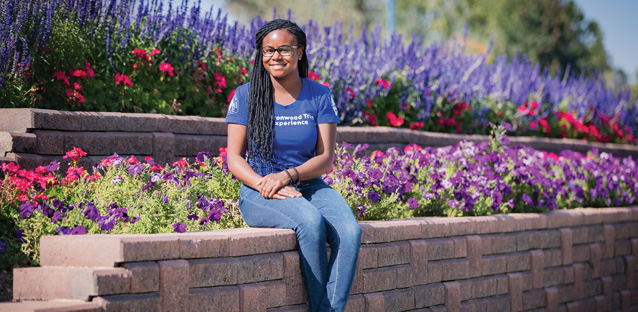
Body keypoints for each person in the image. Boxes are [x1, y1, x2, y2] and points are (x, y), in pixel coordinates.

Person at [225, 19, 362, 312]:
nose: (276, 56)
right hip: (259, 189)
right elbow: (234, 158)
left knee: (350, 232)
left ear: (299, 52)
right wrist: (266, 183)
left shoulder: (320, 94)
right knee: (310, 223)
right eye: (268, 50)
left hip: (308, 185)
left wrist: (288, 176)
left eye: (284, 49)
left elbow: (325, 159)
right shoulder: (246, 95)